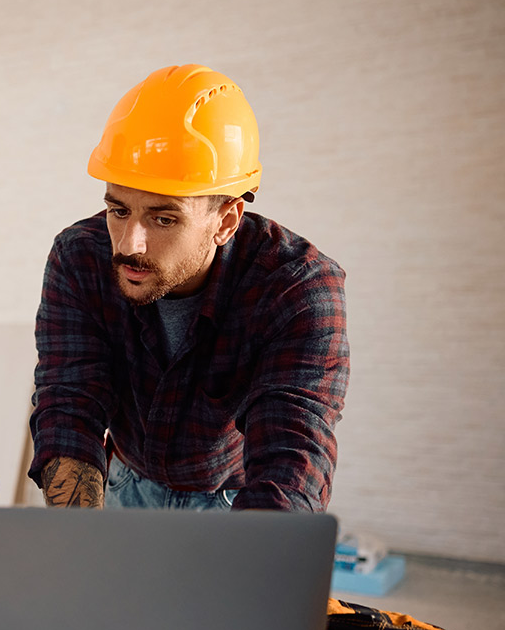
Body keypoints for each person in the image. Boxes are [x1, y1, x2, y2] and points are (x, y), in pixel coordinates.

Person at [30, 64, 349, 513]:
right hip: (122, 482)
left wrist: (272, 565)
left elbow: (292, 449)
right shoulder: (79, 257)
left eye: (164, 219)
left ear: (226, 221)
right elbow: (69, 398)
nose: (129, 244)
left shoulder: (298, 289)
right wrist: (81, 542)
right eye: (119, 210)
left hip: (236, 502)